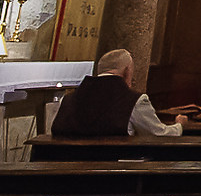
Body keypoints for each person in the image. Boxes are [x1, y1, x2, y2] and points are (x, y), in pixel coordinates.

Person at [51, 49, 187, 137]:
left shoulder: (69, 99)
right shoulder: (135, 100)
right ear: (127, 71)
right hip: (114, 175)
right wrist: (179, 125)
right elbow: (158, 134)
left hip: (66, 172)